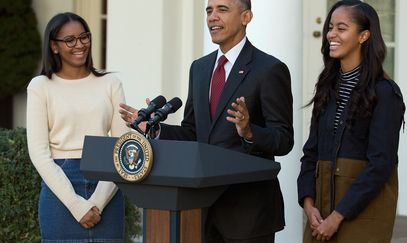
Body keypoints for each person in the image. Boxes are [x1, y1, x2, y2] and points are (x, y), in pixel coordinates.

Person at [119, 0, 293, 242]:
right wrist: (154, 129)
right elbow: (193, 133)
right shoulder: (199, 69)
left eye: (222, 9)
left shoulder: (270, 69)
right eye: (209, 10)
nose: (212, 17)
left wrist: (248, 131)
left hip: (248, 215)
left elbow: (283, 140)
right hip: (201, 211)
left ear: (246, 17)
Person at [297, 1, 405, 242]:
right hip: (321, 212)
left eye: (342, 28)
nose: (331, 34)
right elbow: (310, 152)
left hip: (362, 215)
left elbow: (381, 164)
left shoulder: (385, 92)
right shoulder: (327, 88)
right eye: (330, 27)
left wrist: (337, 216)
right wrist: (308, 203)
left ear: (363, 36)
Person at [26, 12, 129, 242]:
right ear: (54, 46)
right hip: (60, 188)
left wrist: (97, 202)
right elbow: (39, 154)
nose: (79, 44)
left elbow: (122, 146)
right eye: (69, 40)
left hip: (107, 183)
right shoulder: (40, 86)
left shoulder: (111, 83)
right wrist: (76, 204)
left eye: (84, 37)